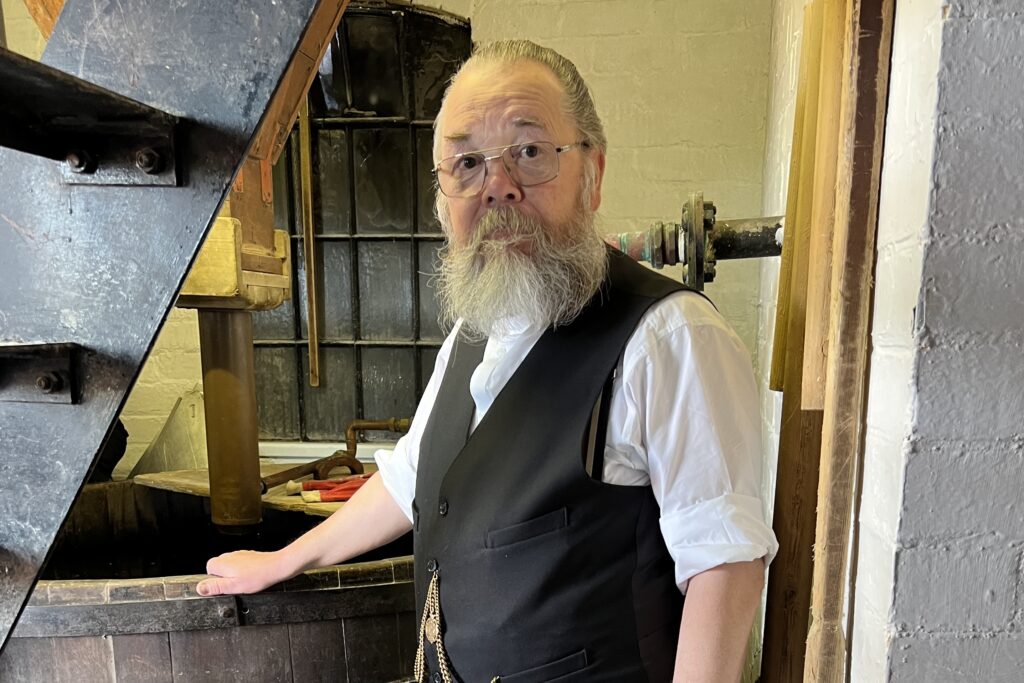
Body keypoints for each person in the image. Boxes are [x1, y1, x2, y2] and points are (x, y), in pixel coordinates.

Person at [198, 40, 777, 682]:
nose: (497, 186)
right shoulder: (473, 333)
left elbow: (725, 566)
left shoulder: (669, 337)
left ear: (592, 174)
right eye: (467, 162)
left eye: (529, 152)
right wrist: (287, 559)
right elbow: (409, 478)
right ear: (443, 197)